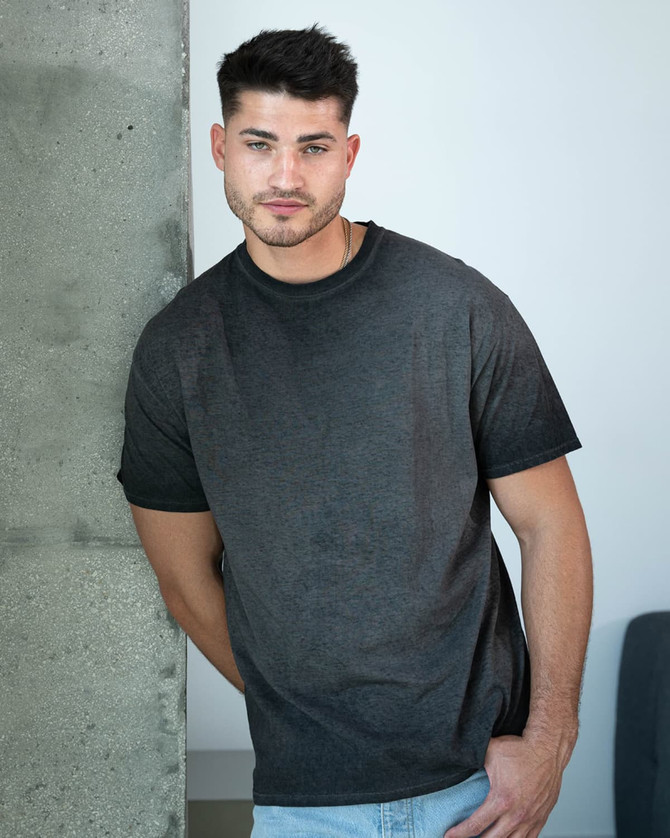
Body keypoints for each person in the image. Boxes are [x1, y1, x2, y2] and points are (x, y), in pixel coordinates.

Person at [118, 25, 592, 838]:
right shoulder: (178, 350)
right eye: (260, 144)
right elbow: (185, 582)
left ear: (351, 153)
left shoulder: (457, 309)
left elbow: (550, 522)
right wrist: (305, 710)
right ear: (219, 146)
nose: (286, 176)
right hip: (302, 805)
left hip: (480, 792)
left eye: (314, 146)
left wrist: (548, 740)